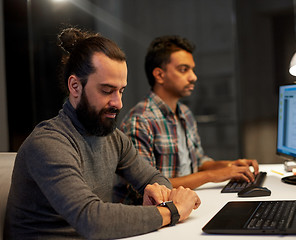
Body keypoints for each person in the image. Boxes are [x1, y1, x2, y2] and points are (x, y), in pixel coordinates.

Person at [4, 28, 200, 240]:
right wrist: (172, 211)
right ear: (75, 86)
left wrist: (158, 192)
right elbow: (92, 221)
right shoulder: (48, 143)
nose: (118, 103)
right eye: (107, 90)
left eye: (121, 90)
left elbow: (153, 177)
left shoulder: (112, 138)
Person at [120, 35, 259, 190]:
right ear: (159, 75)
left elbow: (198, 162)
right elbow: (148, 187)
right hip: (159, 211)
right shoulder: (140, 121)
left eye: (192, 70)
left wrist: (230, 166)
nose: (193, 77)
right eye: (184, 70)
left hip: (189, 199)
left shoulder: (185, 113)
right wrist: (212, 176)